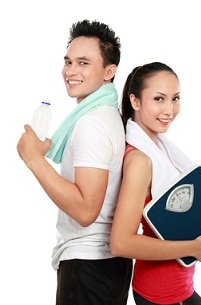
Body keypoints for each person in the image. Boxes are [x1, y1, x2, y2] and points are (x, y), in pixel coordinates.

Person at [16, 19, 132, 305]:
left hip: (88, 264)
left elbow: (85, 210)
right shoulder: (106, 115)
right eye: (68, 62)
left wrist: (34, 160)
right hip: (106, 264)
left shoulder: (92, 123)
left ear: (109, 72)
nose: (70, 71)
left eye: (83, 63)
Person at [110, 62, 201, 305]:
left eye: (175, 98)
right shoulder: (140, 161)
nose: (169, 109)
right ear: (136, 101)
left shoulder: (160, 148)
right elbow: (121, 242)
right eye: (159, 99)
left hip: (181, 288)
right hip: (159, 293)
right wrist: (193, 248)